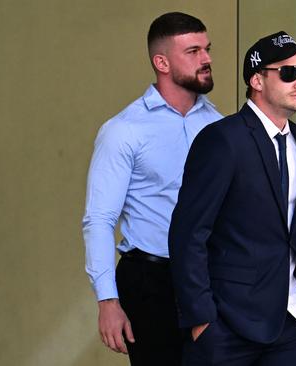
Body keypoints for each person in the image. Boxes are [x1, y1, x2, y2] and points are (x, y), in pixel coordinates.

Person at [169, 31, 296, 366]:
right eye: (287, 72)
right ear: (256, 79)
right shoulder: (222, 140)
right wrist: (201, 320)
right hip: (227, 324)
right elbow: (188, 233)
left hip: (290, 319)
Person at [82, 12, 222, 366]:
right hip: (151, 282)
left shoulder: (220, 126)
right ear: (161, 62)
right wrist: (107, 301)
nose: (206, 59)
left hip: (211, 277)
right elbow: (99, 219)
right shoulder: (124, 130)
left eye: (206, 49)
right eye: (192, 52)